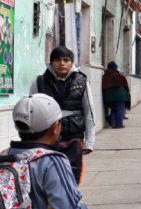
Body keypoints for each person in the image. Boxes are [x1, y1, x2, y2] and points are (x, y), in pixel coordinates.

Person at [30, 46, 95, 184]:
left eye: (66, 60)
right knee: (46, 177)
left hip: (73, 139)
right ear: (51, 63)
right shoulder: (39, 82)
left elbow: (89, 111)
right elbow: (32, 110)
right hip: (46, 138)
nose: (62, 63)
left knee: (72, 176)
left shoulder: (81, 81)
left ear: (72, 63)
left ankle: (70, 203)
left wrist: (89, 141)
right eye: (57, 60)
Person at [102, 61, 131, 129]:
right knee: (120, 109)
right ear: (116, 68)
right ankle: (119, 124)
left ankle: (114, 123)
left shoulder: (105, 76)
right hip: (120, 95)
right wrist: (127, 97)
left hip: (109, 96)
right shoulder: (120, 76)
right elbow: (126, 87)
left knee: (114, 109)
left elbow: (104, 87)